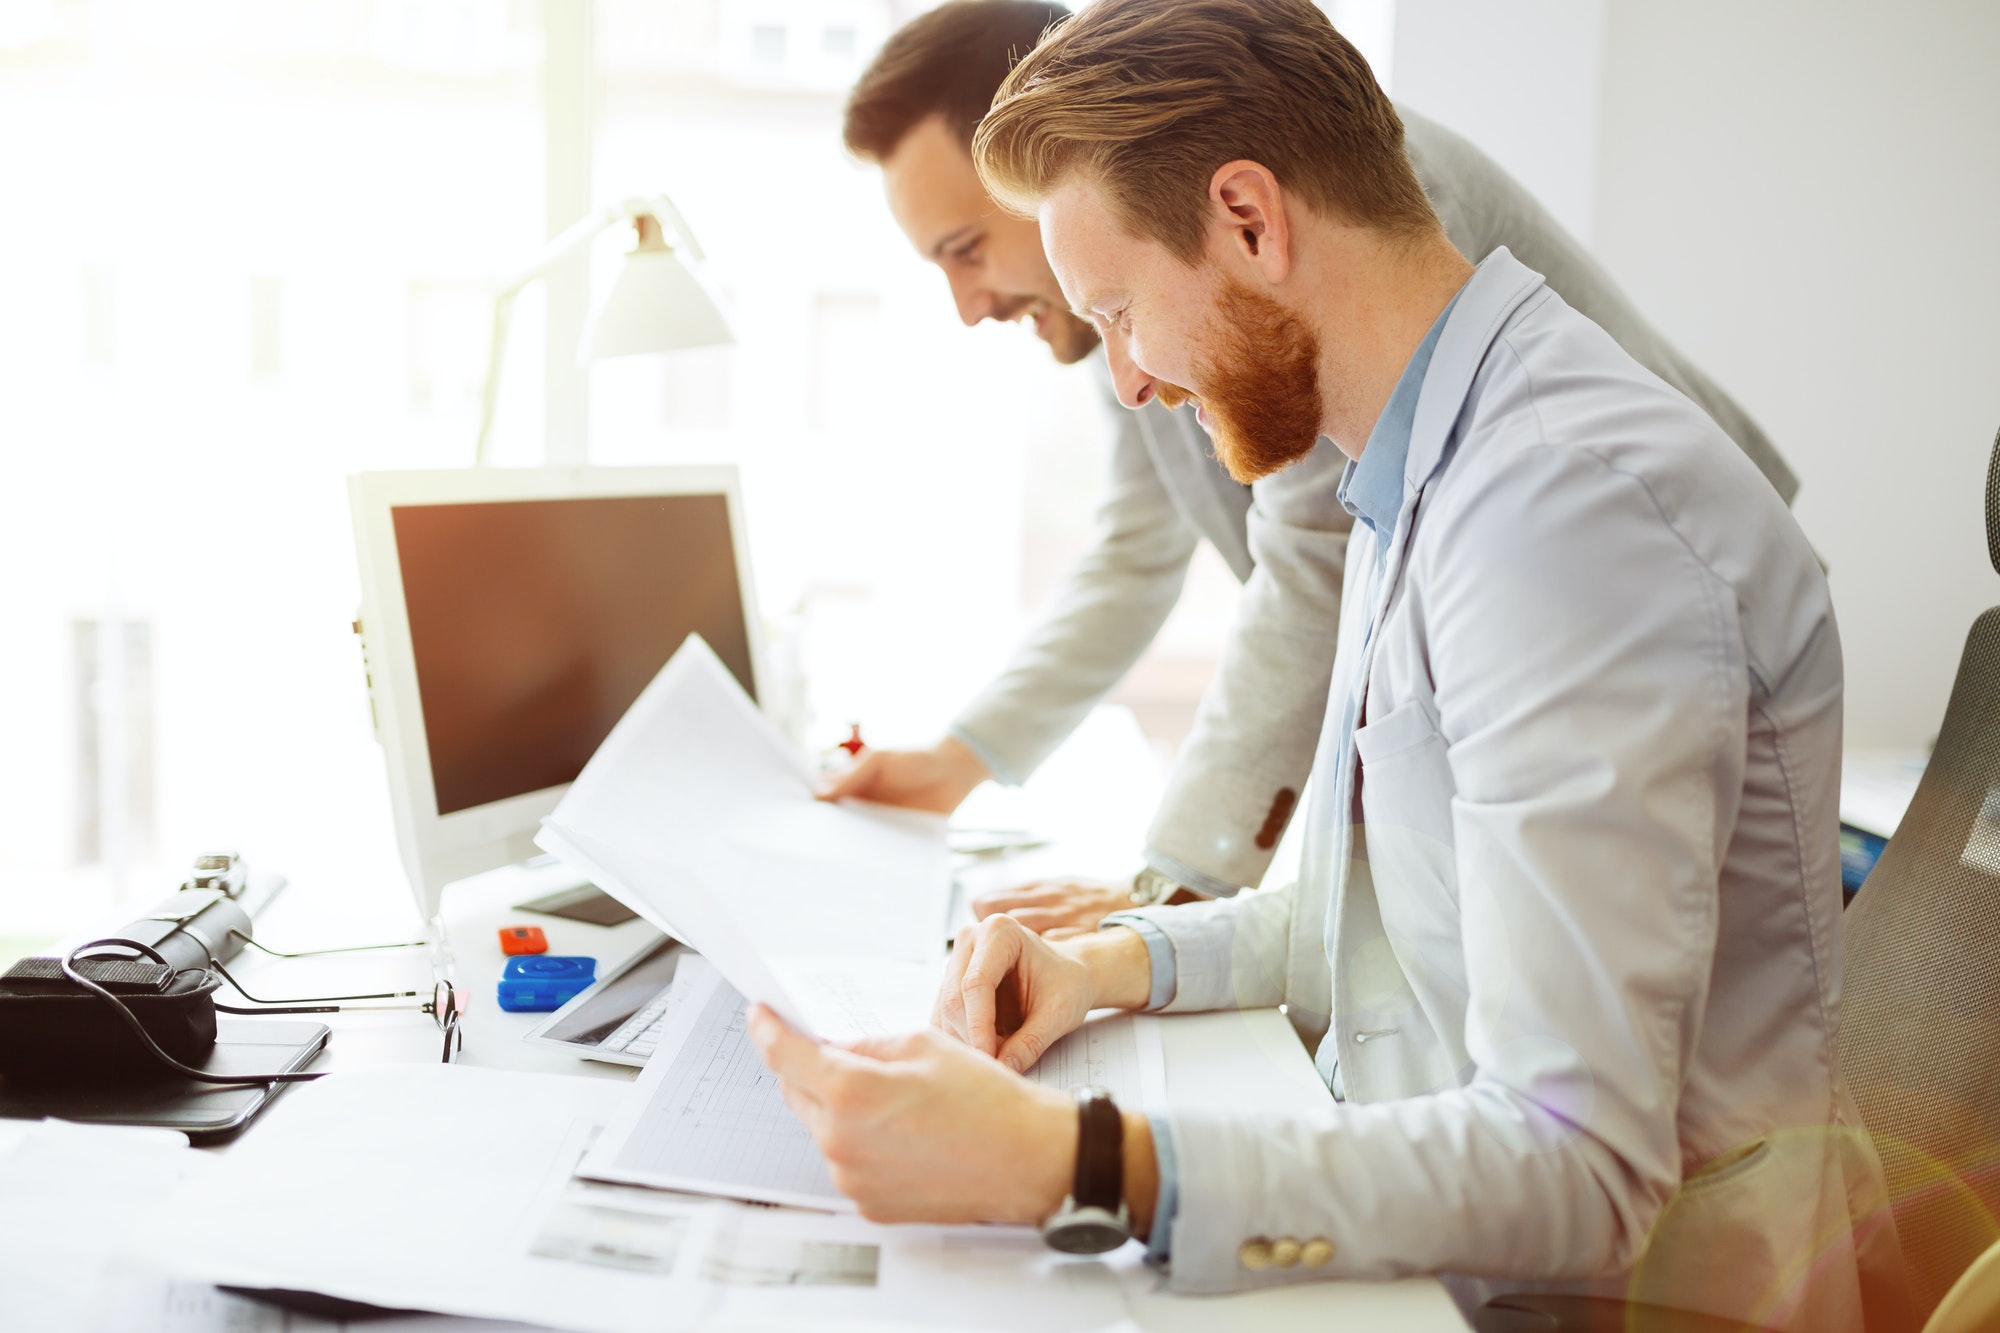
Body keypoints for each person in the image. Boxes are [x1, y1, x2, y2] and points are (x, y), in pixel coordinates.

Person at [751, 2, 1906, 1328]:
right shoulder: (1412, 467)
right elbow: (1396, 914)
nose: (1127, 383)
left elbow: (1579, 1170)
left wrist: (1065, 1162)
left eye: (1122, 311)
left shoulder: (1562, 521)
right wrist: (1116, 958)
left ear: (1249, 219)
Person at [820, 0, 1800, 938]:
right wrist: (964, 762)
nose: (965, 305)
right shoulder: (1136, 300)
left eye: (966, 248)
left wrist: (1175, 882)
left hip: (1642, 602)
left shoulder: (1298, 232)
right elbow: (1136, 548)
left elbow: (1311, 559)